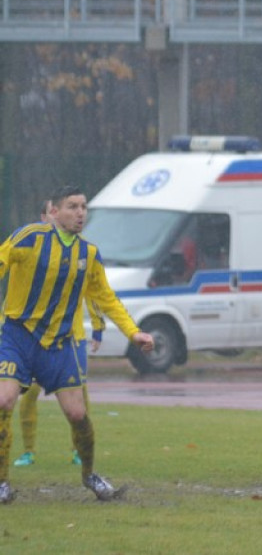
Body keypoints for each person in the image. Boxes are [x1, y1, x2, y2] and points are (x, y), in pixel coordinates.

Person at [0, 186, 155, 503]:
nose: (80, 212)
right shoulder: (29, 237)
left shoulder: (89, 254)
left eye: (84, 206)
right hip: (17, 336)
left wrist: (133, 332)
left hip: (58, 344)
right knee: (3, 402)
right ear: (53, 212)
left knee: (77, 414)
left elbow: (106, 299)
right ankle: (2, 482)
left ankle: (90, 476)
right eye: (72, 206)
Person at [13, 200, 106, 469]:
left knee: (79, 399)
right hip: (34, 339)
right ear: (45, 216)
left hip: (70, 337)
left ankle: (78, 450)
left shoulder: (82, 251)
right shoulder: (31, 247)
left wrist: (98, 326)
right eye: (51, 212)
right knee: (27, 394)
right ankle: (28, 451)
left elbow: (95, 290)